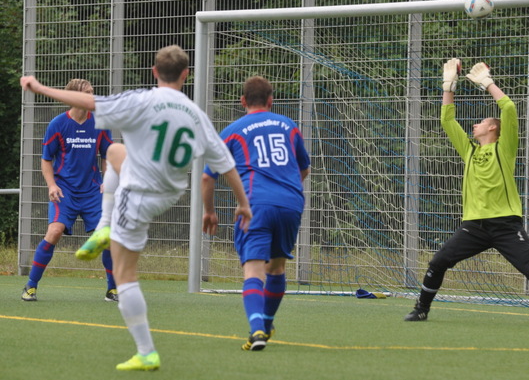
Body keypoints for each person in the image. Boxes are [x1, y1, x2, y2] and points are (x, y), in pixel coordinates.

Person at [20, 45, 253, 371]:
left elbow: (89, 102)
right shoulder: (196, 114)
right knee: (115, 151)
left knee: (126, 275)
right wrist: (240, 204)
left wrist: (39, 87)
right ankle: (103, 226)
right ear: (187, 75)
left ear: (154, 73)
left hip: (138, 192)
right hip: (170, 193)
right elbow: (226, 166)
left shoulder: (141, 100)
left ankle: (146, 351)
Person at [404, 59, 529, 328]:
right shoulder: (469, 150)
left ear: (493, 127)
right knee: (438, 261)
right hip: (474, 227)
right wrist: (449, 85)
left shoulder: (505, 149)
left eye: (480, 122)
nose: (474, 126)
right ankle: (421, 309)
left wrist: (488, 83)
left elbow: (509, 107)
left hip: (505, 225)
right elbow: (447, 119)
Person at [201, 76, 311, 351]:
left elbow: (207, 178)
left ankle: (257, 329)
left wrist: (210, 212)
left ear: (243, 101)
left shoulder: (232, 131)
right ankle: (268, 323)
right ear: (271, 101)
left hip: (255, 205)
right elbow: (304, 168)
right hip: (291, 203)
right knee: (277, 267)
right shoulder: (288, 125)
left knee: (253, 268)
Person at [21, 79, 116, 303]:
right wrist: (52, 185)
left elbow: (107, 156)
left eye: (94, 92)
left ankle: (112, 290)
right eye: (88, 93)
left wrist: (108, 180)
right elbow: (46, 160)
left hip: (92, 192)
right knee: (54, 232)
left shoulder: (100, 122)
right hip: (65, 192)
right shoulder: (57, 124)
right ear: (74, 97)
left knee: (107, 238)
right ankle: (31, 286)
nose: (93, 97)